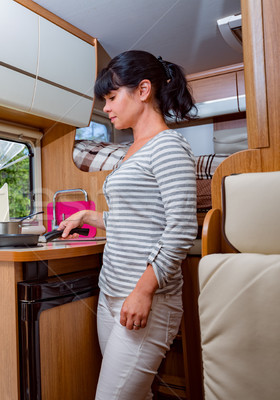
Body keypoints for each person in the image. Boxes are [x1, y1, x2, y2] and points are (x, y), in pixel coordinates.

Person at [58, 50, 198, 399]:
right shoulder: (132, 150)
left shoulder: (168, 147)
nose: (106, 108)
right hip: (111, 294)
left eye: (111, 97)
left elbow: (180, 229)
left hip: (145, 297)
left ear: (143, 90)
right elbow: (137, 219)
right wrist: (90, 217)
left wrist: (143, 291)